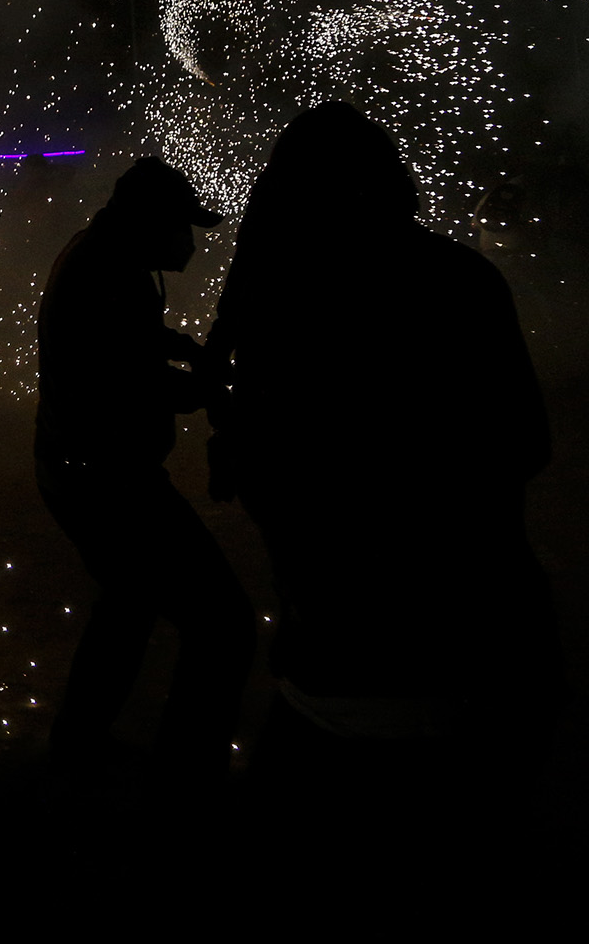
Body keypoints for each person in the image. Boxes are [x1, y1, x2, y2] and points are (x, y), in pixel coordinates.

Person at [203, 103, 560, 810]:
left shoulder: (277, 304)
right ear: (392, 180)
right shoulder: (460, 280)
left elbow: (266, 480)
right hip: (476, 654)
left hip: (335, 669)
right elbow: (526, 443)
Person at [35, 157, 253, 788]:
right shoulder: (110, 273)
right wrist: (208, 389)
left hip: (81, 468)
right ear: (148, 223)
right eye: (181, 228)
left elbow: (122, 342)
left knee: (127, 607)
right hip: (106, 480)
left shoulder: (106, 258)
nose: (190, 242)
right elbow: (129, 381)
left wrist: (180, 347)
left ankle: (76, 750)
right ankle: (185, 779)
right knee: (223, 624)